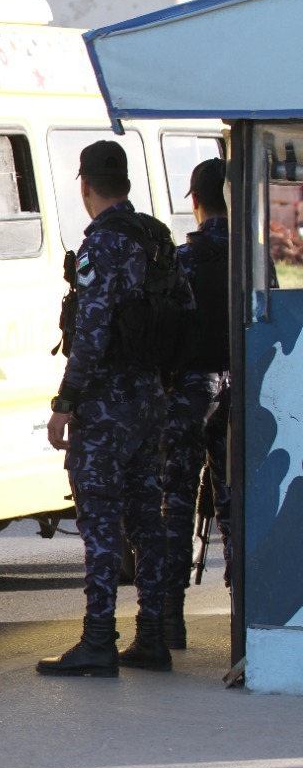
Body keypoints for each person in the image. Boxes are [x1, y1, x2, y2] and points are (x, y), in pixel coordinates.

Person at [39, 140, 176, 677]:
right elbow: (183, 317)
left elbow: (92, 332)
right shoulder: (155, 238)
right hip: (150, 399)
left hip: (106, 406)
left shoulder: (101, 244)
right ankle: (154, 635)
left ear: (85, 186)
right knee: (146, 520)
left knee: (99, 524)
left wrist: (65, 401)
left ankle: (98, 640)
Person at [158, 158, 233, 649]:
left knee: (177, 505)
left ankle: (169, 622)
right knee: (234, 503)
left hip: (187, 392)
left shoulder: (183, 260)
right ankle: (246, 622)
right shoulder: (256, 257)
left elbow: (165, 327)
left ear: (195, 201)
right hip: (239, 389)